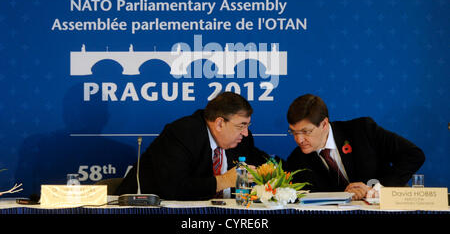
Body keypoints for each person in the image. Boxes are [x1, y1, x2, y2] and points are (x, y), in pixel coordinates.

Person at [115, 92, 270, 200]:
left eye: (248, 125)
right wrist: (224, 181)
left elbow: (266, 163)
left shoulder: (241, 140)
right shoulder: (182, 134)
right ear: (220, 123)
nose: (246, 133)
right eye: (241, 126)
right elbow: (174, 188)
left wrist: (275, 172)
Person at [285, 94, 425, 200]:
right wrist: (343, 196)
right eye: (293, 132)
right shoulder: (296, 160)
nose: (299, 139)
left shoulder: (363, 131)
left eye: (305, 132)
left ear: (324, 124)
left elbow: (413, 155)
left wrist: (376, 189)